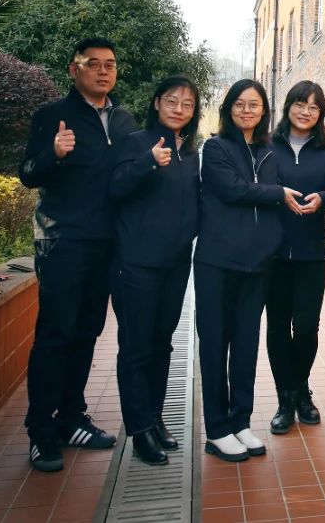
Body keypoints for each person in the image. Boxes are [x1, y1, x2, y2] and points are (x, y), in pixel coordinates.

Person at [19, 37, 138, 473]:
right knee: (56, 334)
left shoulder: (124, 120)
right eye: (94, 64)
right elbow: (27, 173)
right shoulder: (52, 115)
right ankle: (40, 430)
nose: (103, 71)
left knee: (87, 332)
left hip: (107, 244)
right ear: (74, 70)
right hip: (63, 241)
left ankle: (71, 418)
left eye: (110, 64)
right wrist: (52, 154)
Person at [196, 79, 302, 463]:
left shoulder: (270, 151)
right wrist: (278, 194)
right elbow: (232, 189)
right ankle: (217, 429)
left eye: (254, 105)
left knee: (245, 345)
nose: (247, 110)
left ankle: (240, 421)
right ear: (229, 108)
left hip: (258, 265)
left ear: (263, 111)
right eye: (240, 104)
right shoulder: (215, 148)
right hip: (217, 262)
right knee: (215, 344)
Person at [109, 76, 202, 465]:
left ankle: (154, 417)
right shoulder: (136, 142)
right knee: (137, 346)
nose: (179, 109)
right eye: (172, 101)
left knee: (163, 343)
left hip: (175, 263)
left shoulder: (190, 154)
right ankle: (139, 430)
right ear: (157, 102)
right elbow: (114, 188)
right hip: (136, 263)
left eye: (187, 104)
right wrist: (148, 162)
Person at [267, 81, 325, 435]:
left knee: (307, 325)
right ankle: (286, 398)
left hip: (312, 252)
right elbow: (255, 185)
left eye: (314, 107)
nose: (306, 112)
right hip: (272, 252)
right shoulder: (267, 145)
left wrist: (324, 199)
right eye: (300, 104)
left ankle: (300, 388)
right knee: (278, 325)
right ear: (288, 106)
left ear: (321, 113)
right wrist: (277, 195)